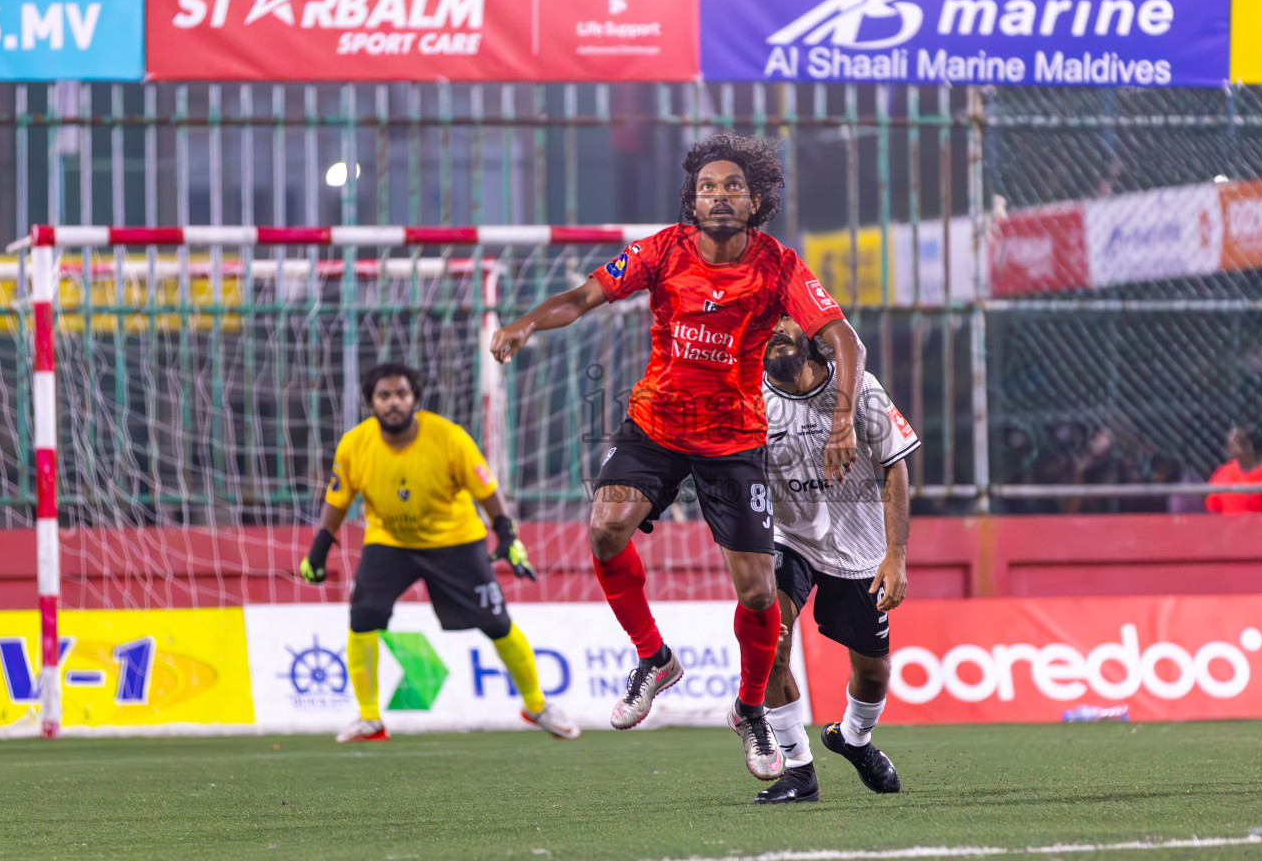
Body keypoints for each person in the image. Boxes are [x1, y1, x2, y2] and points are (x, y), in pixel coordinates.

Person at [490, 132, 865, 783]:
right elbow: (583, 297)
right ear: (692, 198)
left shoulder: (779, 266)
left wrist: (841, 420)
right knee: (605, 529)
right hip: (656, 424)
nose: (719, 195)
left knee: (754, 590)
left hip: (733, 440)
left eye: (734, 187)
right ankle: (653, 657)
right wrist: (525, 323)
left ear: (758, 201)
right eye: (708, 187)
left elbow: (841, 338)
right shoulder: (662, 250)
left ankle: (750, 709)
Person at [299, 361, 579, 743]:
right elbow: (337, 498)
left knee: (497, 623)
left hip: (456, 542)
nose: (393, 402)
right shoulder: (354, 445)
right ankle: (369, 719)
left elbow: (488, 493)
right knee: (363, 616)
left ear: (414, 398)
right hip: (390, 542)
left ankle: (536, 705)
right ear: (371, 403)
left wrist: (505, 534)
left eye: (401, 394)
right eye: (384, 396)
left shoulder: (448, 437)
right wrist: (319, 548)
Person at [753, 316, 918, 805]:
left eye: (781, 322)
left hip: (860, 546)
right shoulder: (748, 399)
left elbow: (895, 469)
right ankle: (799, 769)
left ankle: (854, 738)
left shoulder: (859, 388)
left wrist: (896, 554)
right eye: (761, 328)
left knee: (873, 672)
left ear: (806, 331)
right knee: (771, 646)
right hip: (789, 537)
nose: (773, 333)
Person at [1205, 425, 1262, 515]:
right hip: (1228, 528)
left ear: (1249, 445)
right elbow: (1212, 509)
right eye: (1229, 445)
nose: (1229, 448)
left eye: (1235, 444)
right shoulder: (1223, 473)